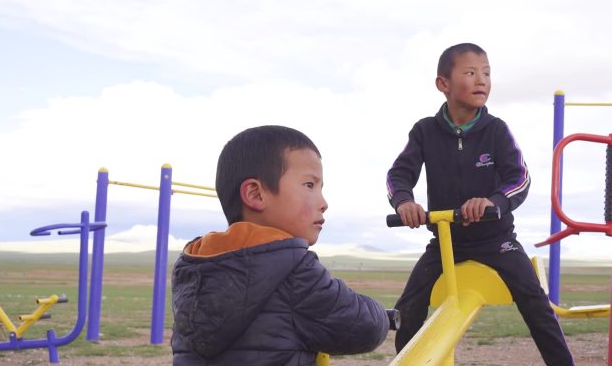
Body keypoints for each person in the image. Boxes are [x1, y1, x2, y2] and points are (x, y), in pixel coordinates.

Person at [386, 43, 574, 365]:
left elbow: (520, 179)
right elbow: (398, 175)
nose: (481, 80)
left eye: (486, 73)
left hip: (496, 241)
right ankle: (408, 359)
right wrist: (404, 202)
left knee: (534, 300)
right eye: (470, 73)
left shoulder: (495, 130)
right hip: (446, 241)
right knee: (408, 306)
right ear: (443, 84)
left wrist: (494, 201)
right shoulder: (425, 132)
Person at [171, 125, 389, 366]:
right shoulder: (293, 268)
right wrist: (383, 315)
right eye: (309, 185)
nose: (324, 202)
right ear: (255, 194)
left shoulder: (193, 268)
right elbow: (362, 327)